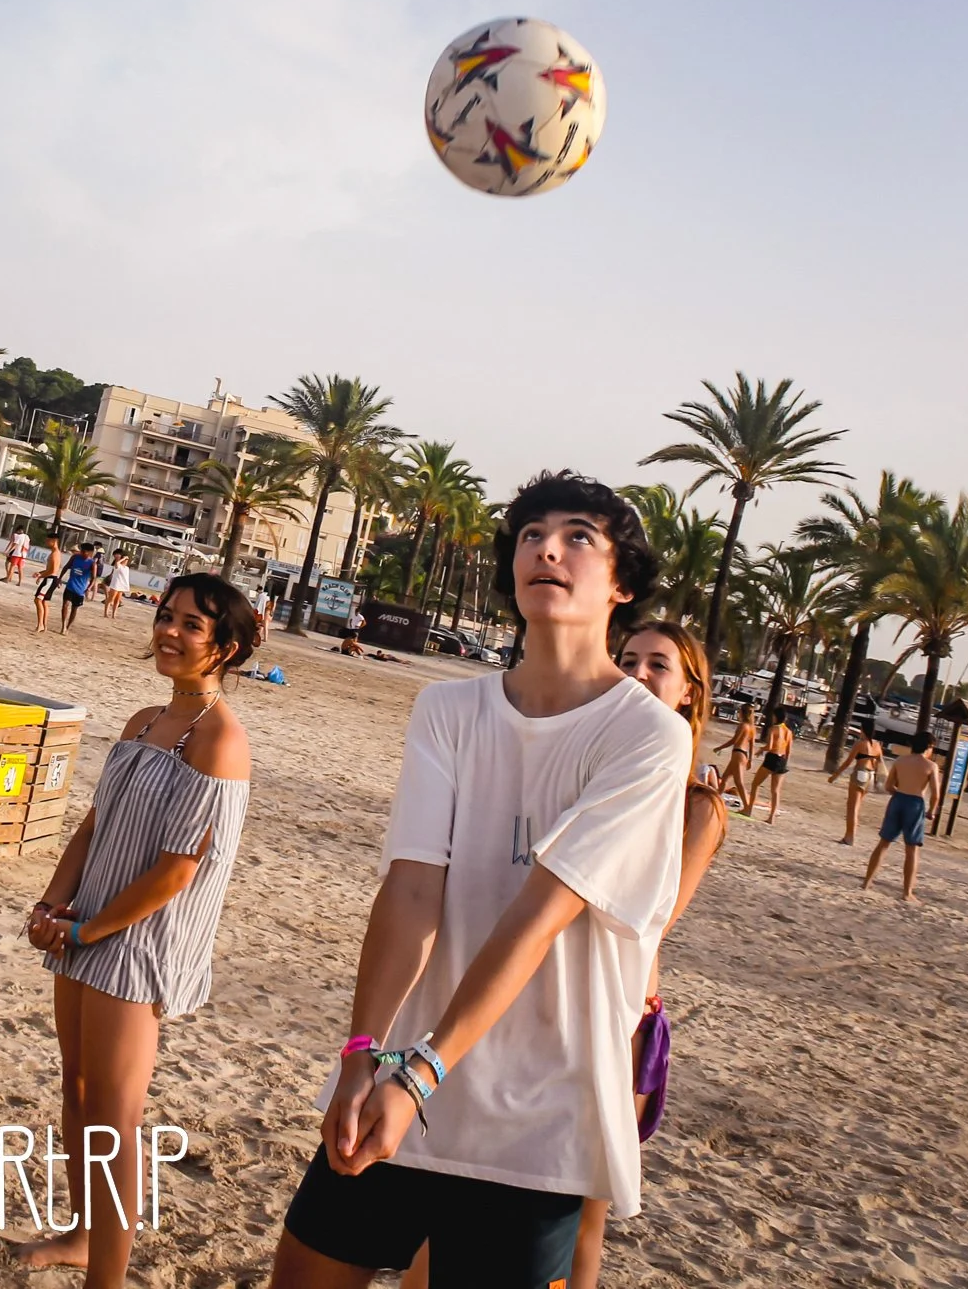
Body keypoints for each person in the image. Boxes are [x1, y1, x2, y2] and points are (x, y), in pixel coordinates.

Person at [269, 471, 688, 1289]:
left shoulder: (648, 735)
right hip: (398, 1080)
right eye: (531, 534)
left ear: (622, 583)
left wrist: (420, 1073)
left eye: (577, 536)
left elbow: (540, 914)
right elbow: (411, 889)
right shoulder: (448, 710)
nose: (547, 549)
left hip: (539, 1114)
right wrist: (361, 1055)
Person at [404, 619, 730, 1289]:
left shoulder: (696, 807)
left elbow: (656, 917)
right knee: (450, 1188)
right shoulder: (586, 757)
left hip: (618, 1011)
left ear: (690, 693)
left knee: (580, 1210)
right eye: (628, 659)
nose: (638, 673)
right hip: (517, 978)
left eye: (658, 665)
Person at [19, 574, 255, 1284]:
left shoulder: (220, 740)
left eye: (191, 625)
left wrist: (89, 931)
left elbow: (177, 870)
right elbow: (95, 825)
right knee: (77, 1090)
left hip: (138, 944)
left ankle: (107, 1277)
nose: (169, 632)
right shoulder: (143, 720)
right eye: (166, 616)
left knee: (114, 1118)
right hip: (86, 925)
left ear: (225, 648)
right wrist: (51, 906)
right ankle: (84, 1235)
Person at [863, 734, 941, 902]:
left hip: (898, 800)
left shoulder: (900, 761)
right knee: (912, 848)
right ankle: (907, 892)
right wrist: (932, 811)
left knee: (884, 843)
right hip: (915, 803)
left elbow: (889, 785)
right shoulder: (931, 766)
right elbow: (936, 794)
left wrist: (899, 794)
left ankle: (867, 882)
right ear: (929, 747)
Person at [828, 726, 885, 847]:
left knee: (852, 807)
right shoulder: (877, 745)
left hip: (860, 773)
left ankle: (849, 837)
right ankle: (850, 835)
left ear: (863, 731)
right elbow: (880, 763)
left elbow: (848, 762)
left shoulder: (860, 744)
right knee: (857, 807)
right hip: (870, 776)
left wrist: (835, 775)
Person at [743, 715, 795, 822]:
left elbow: (770, 746)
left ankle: (749, 810)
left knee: (755, 784)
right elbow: (789, 750)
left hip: (772, 757)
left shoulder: (774, 729)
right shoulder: (788, 732)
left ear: (775, 717)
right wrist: (785, 764)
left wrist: (761, 749)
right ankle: (772, 817)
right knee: (775, 790)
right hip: (782, 759)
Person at [58, 542, 100, 635]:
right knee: (65, 605)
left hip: (80, 590)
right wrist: (59, 578)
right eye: (81, 551)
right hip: (70, 586)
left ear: (90, 553)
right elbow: (66, 567)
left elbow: (94, 578)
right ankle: (63, 626)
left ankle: (68, 627)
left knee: (74, 608)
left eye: (84, 552)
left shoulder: (92, 563)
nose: (82, 553)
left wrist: (89, 588)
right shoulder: (75, 557)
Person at [715, 717, 755, 806]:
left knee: (739, 782)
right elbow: (752, 745)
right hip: (743, 754)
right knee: (725, 777)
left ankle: (747, 805)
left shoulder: (743, 725)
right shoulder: (752, 727)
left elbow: (734, 740)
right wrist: (750, 760)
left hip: (738, 753)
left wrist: (720, 747)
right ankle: (716, 798)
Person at [33, 536, 65, 633]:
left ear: (54, 541)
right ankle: (44, 625)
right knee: (44, 602)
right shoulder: (55, 553)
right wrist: (40, 573)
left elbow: (53, 570)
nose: (46, 542)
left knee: (38, 600)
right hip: (50, 579)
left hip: (50, 580)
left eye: (48, 540)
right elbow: (50, 569)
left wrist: (41, 576)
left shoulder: (55, 554)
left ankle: (40, 625)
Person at [101, 550, 132, 618]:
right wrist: (123, 558)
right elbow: (117, 564)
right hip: (116, 584)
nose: (126, 561)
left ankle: (113, 615)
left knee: (117, 600)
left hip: (121, 585)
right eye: (125, 560)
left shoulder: (126, 568)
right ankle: (106, 613)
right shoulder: (118, 565)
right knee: (110, 599)